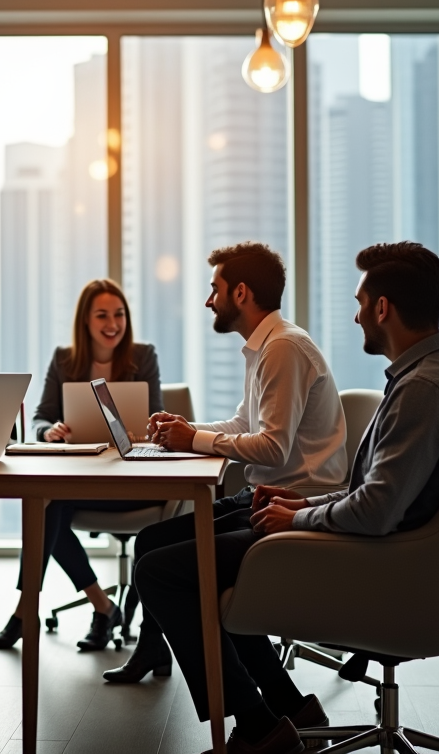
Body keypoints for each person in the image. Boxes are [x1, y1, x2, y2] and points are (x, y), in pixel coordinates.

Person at [135, 242, 439, 754]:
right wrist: (303, 505)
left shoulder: (425, 392)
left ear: (382, 308)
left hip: (380, 565)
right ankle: (283, 706)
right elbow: (376, 496)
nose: (354, 316)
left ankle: (262, 728)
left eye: (359, 302)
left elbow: (374, 510)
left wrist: (300, 516)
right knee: (179, 558)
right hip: (393, 552)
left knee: (162, 570)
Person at [104, 241, 347, 685]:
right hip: (262, 496)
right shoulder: (268, 345)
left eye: (214, 288)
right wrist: (185, 429)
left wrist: (193, 438)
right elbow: (243, 422)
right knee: (150, 542)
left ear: (241, 293)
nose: (207, 299)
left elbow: (272, 447)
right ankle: (154, 653)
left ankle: (259, 716)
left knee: (161, 568)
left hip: (290, 504)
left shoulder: (283, 349)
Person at [0, 278, 165, 652]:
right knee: (44, 505)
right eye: (102, 315)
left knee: (49, 507)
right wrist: (50, 430)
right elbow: (40, 416)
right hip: (81, 479)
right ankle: (101, 605)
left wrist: (144, 429)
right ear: (85, 320)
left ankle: (26, 613)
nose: (112, 323)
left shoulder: (143, 356)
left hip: (133, 480)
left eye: (119, 314)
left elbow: (156, 415)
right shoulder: (65, 359)